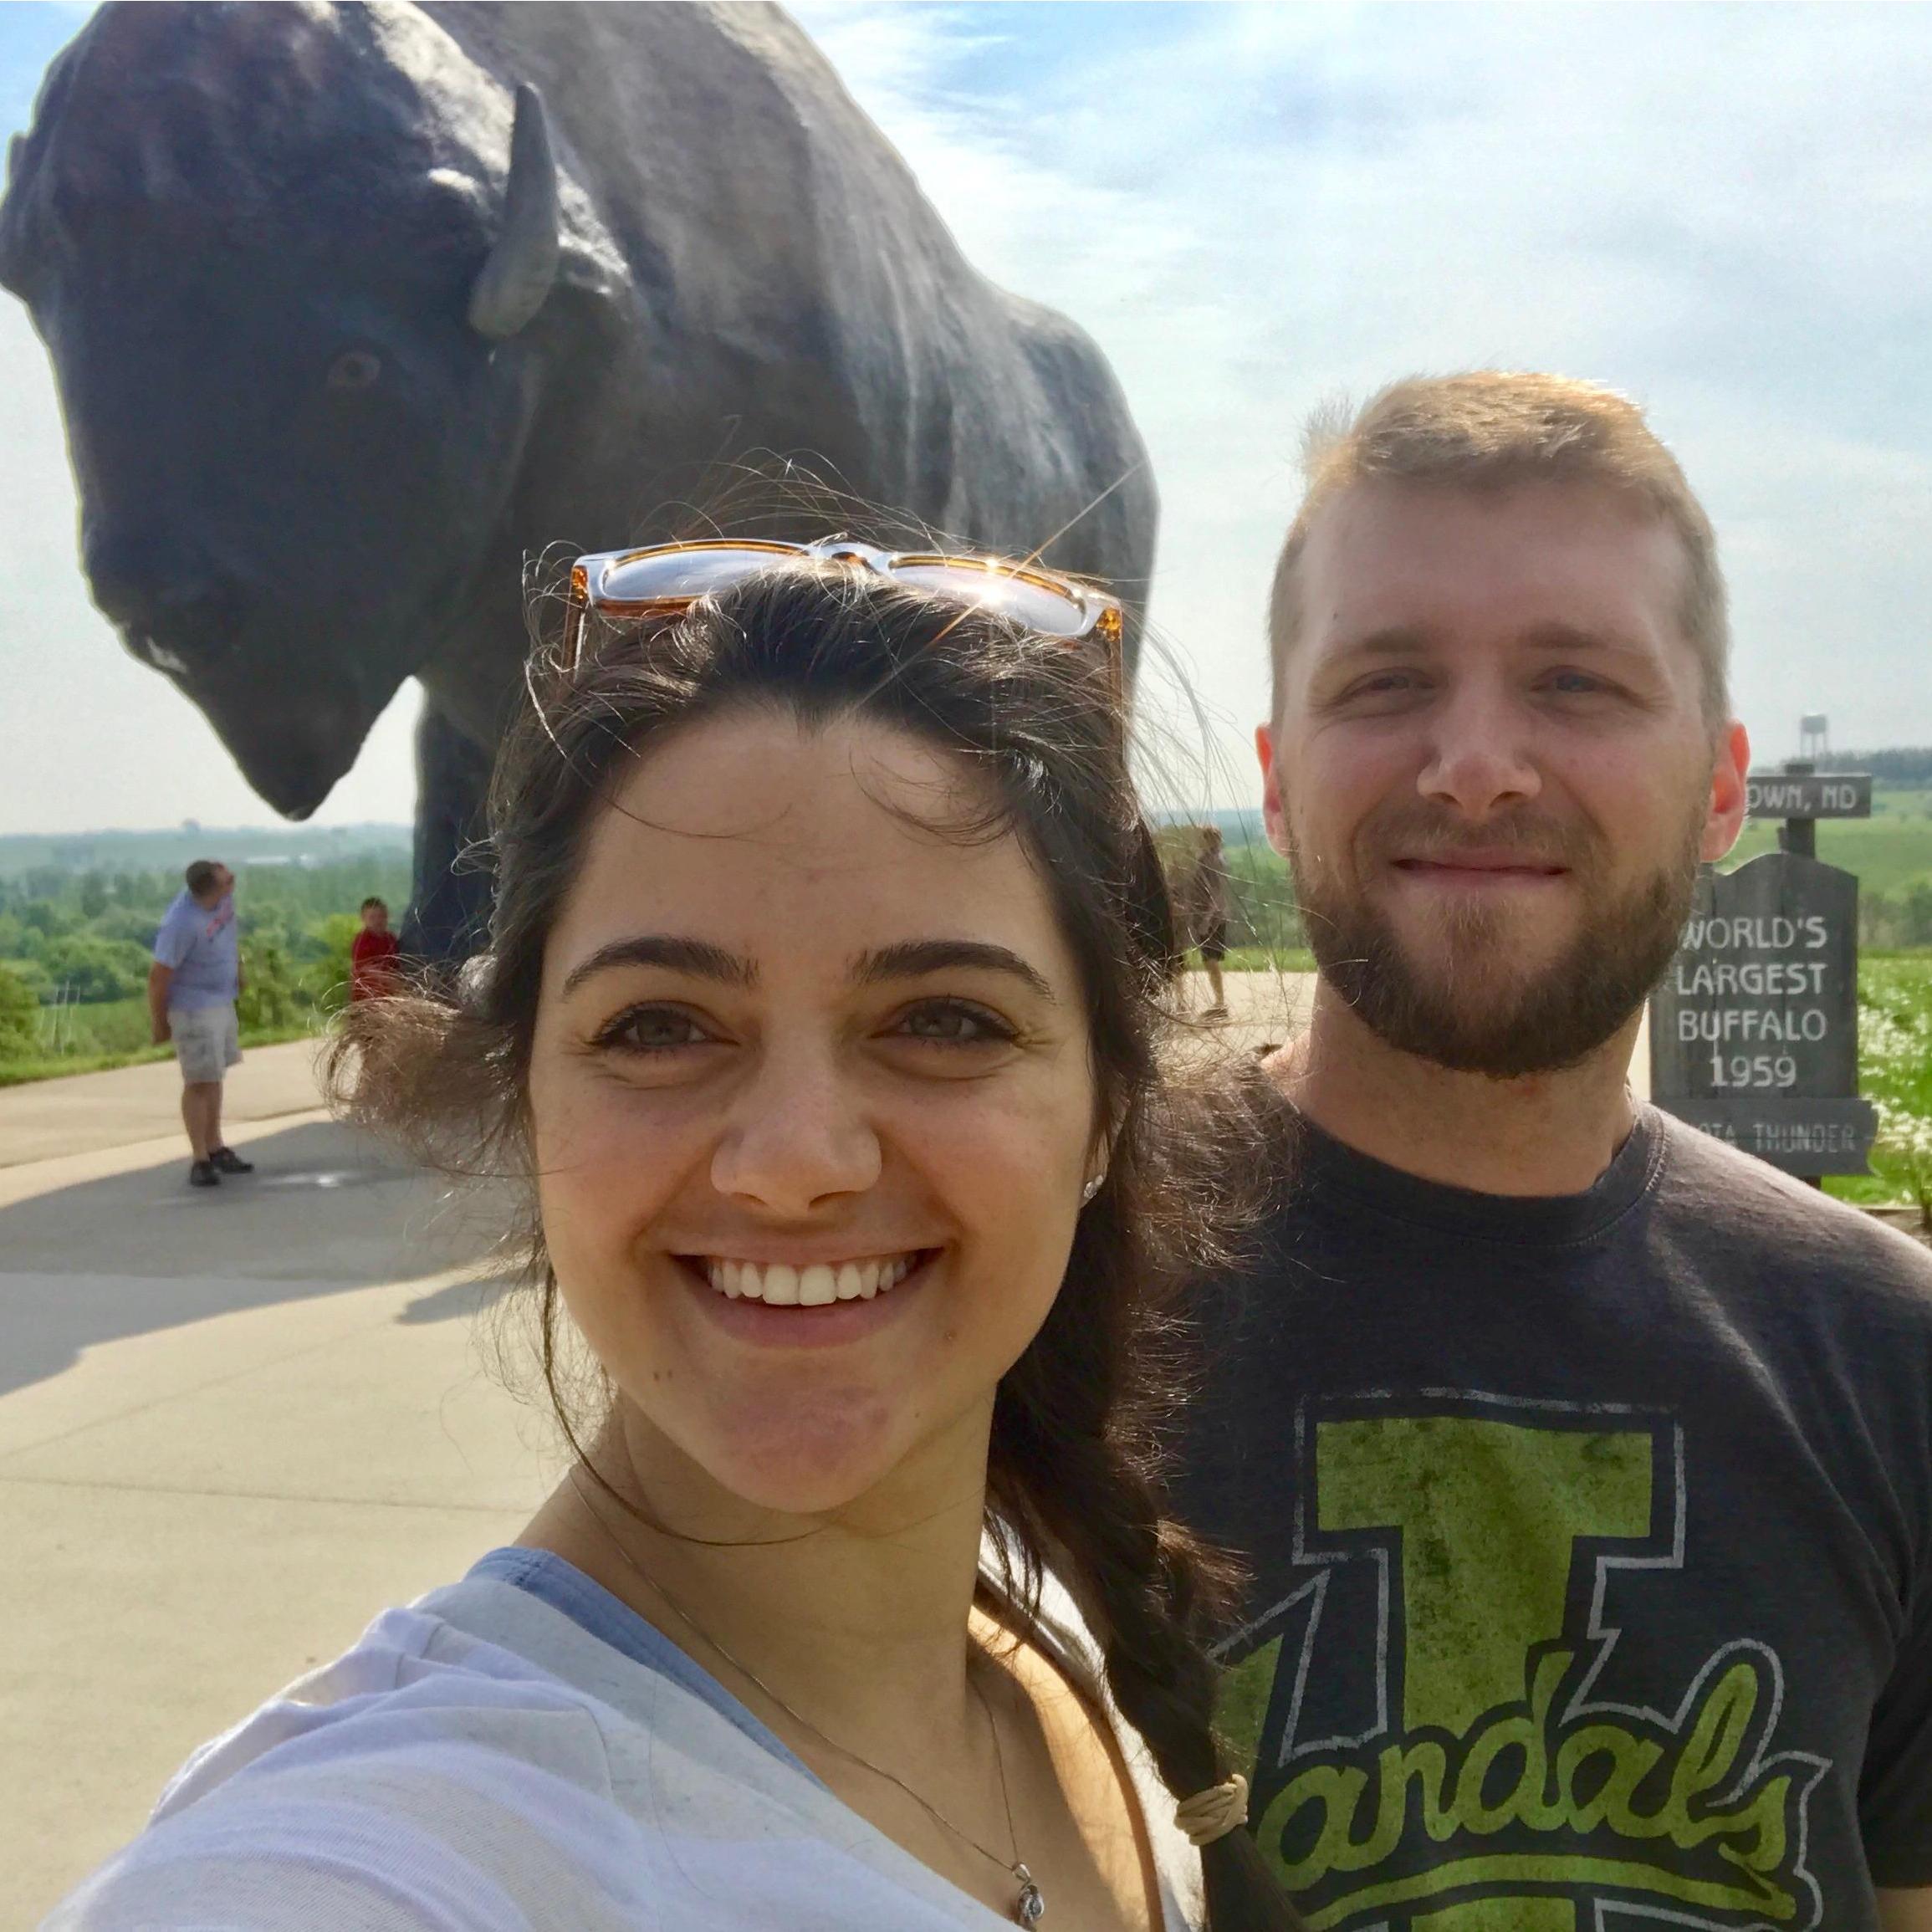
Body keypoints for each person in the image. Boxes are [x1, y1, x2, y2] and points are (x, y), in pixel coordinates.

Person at [52, 541, 1300, 1932]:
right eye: (659, 1026)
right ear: (523, 1098)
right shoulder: (381, 1859)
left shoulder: (1039, 1649)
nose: (793, 1165)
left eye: (946, 1020)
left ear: (1106, 1116)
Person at [1171, 373, 1932, 1931]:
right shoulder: (1042, 1292)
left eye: (1576, 683)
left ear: (1720, 785)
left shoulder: (1890, 1360)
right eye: (1385, 683)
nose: (1475, 764)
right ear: (1273, 772)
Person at [147, 857, 253, 1189]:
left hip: (220, 999)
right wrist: (160, 1022)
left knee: (215, 1074)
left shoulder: (223, 901)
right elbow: (158, 977)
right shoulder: (180, 924)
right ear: (211, 888)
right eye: (227, 879)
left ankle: (215, 1145)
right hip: (192, 1008)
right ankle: (199, 1158)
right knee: (198, 1081)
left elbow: (230, 937)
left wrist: (238, 971)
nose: (233, 881)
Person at [1177, 826, 1232, 1020]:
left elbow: (1215, 893)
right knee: (1209, 960)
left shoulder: (1212, 862)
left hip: (1212, 918)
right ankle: (1219, 1003)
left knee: (1211, 960)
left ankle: (1220, 1003)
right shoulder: (1213, 859)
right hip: (1210, 916)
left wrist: (1207, 919)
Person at [349, 894, 401, 1001]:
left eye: (381, 916)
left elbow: (398, 964)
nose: (378, 921)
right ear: (363, 918)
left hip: (389, 995)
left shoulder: (391, 938)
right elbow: (366, 968)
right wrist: (390, 980)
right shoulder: (362, 940)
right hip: (366, 996)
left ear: (387, 916)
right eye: (372, 917)